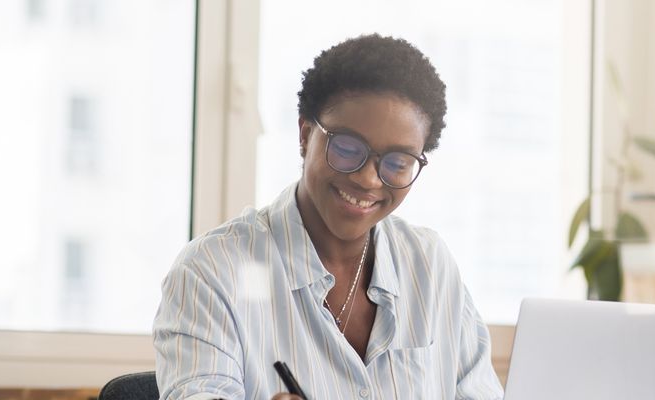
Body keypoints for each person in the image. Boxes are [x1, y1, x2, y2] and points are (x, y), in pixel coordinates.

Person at [153, 34, 504, 400]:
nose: (369, 179)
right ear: (305, 135)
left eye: (398, 163)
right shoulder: (212, 271)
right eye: (348, 148)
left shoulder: (430, 265)